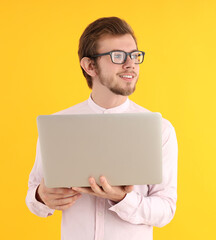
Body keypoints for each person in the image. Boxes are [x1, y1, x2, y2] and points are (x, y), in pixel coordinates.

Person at [25, 17, 178, 240]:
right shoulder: (59, 126)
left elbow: (166, 210)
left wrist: (122, 199)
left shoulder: (159, 130)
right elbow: (33, 196)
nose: (130, 64)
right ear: (89, 66)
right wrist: (41, 196)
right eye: (118, 56)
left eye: (134, 55)